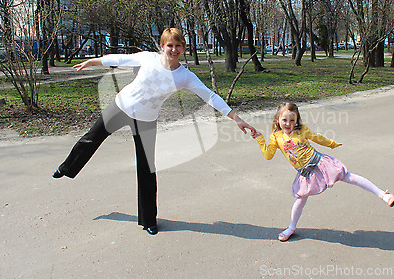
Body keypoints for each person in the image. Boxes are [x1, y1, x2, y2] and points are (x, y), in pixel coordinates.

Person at [53, 28, 256, 235]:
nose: (174, 49)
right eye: (170, 45)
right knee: (91, 139)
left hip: (146, 120)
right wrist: (92, 61)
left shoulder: (185, 76)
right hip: (121, 107)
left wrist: (237, 119)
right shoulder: (148, 59)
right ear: (162, 47)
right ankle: (65, 168)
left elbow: (210, 96)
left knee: (146, 169)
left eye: (178, 46)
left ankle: (149, 220)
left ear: (183, 48)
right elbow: (119, 59)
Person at [252, 102, 394, 242]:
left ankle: (384, 195)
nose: (288, 124)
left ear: (297, 120)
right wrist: (260, 139)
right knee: (300, 199)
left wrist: (332, 144)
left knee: (348, 177)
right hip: (305, 173)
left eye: (292, 120)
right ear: (277, 120)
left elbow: (317, 137)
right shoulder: (275, 136)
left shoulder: (301, 130)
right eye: (284, 120)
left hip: (320, 163)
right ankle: (291, 228)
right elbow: (268, 155)